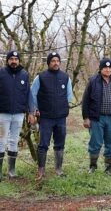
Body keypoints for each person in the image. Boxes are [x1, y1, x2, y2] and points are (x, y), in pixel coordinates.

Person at [31, 52, 73, 180]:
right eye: (53, 61)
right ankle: (41, 171)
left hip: (61, 117)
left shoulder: (65, 77)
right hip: (46, 117)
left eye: (57, 61)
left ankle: (58, 169)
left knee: (60, 143)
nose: (55, 63)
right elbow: (33, 95)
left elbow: (69, 96)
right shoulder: (40, 77)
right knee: (43, 144)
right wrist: (35, 109)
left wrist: (65, 107)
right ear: (49, 62)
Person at [82, 58, 111, 175]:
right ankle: (92, 167)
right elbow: (85, 100)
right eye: (105, 67)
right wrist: (86, 117)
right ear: (101, 69)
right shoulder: (93, 81)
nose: (108, 69)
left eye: (110, 67)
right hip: (97, 118)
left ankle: (109, 169)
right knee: (95, 143)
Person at [0, 51, 35, 181]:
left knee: (14, 141)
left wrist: (31, 112)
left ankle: (11, 171)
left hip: (19, 114)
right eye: (11, 59)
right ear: (7, 60)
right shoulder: (1, 73)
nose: (14, 61)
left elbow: (28, 94)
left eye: (16, 59)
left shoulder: (24, 75)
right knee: (1, 141)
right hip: (3, 114)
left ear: (19, 61)